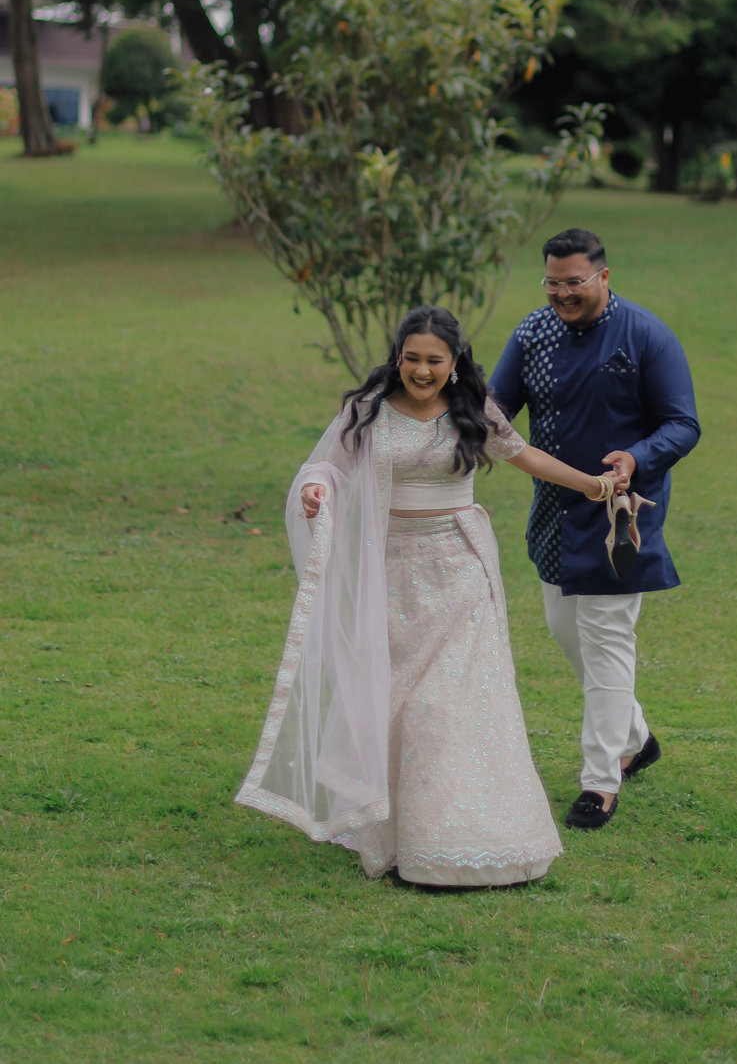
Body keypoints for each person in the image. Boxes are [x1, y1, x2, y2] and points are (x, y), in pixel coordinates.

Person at [235, 304, 620, 887]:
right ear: (397, 358)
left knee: (445, 704)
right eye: (411, 358)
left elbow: (524, 455)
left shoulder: (473, 408)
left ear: (454, 361)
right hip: (389, 570)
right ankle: (393, 832)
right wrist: (315, 491)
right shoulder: (366, 410)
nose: (421, 370)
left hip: (459, 568)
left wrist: (592, 485)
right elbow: (326, 468)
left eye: (434, 360)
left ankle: (460, 839)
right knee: (395, 701)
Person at [489, 228, 700, 831]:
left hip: (619, 516)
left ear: (603, 277)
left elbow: (682, 424)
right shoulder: (533, 333)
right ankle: (637, 737)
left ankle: (601, 781)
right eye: (552, 282)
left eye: (574, 282)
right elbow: (496, 408)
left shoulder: (647, 336)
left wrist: (637, 456)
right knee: (567, 632)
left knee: (606, 641)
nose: (562, 293)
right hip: (554, 513)